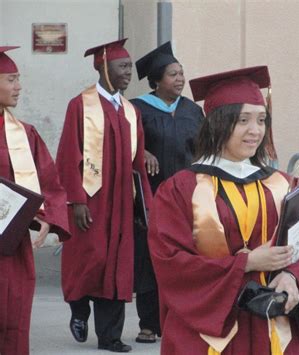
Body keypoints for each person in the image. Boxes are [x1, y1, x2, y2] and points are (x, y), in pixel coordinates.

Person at [147, 65, 299, 354]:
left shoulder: (284, 186)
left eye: (262, 120)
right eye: (243, 120)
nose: (255, 131)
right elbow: (170, 263)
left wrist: (293, 277)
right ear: (218, 123)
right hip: (207, 335)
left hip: (274, 330)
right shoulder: (181, 190)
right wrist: (247, 263)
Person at [56, 39, 152, 353]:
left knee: (117, 265)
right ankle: (79, 309)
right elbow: (69, 155)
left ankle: (110, 337)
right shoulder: (80, 105)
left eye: (129, 67)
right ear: (103, 67)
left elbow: (137, 164)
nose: (129, 73)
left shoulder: (130, 111)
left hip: (123, 201)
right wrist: (76, 200)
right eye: (123, 67)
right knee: (89, 259)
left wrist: (144, 206)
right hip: (91, 200)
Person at [129, 41, 204, 343]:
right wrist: (142, 151)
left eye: (181, 73)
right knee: (149, 258)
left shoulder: (192, 110)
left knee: (184, 257)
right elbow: (122, 143)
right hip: (151, 196)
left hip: (187, 196)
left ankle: (180, 318)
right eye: (173, 74)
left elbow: (204, 149)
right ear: (157, 80)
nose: (180, 79)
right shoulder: (137, 109)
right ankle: (149, 323)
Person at [0, 46, 70, 355]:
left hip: (10, 246)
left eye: (18, 79)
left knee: (12, 314)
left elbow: (48, 181)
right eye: (11, 79)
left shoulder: (24, 133)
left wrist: (45, 215)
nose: (19, 87)